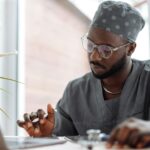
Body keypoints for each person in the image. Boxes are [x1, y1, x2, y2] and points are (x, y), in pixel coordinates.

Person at [17, 0, 150, 148]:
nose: (94, 56)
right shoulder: (76, 91)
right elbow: (64, 139)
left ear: (130, 49)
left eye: (106, 50)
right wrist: (48, 135)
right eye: (91, 45)